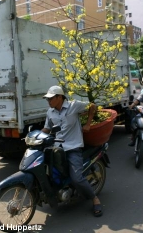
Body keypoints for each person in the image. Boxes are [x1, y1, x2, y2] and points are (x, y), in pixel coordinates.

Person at [42, 85, 103, 217]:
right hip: (57, 148)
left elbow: (93, 106)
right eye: (47, 99)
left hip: (73, 148)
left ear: (59, 97)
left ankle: (94, 198)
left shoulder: (73, 106)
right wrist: (35, 137)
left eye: (50, 99)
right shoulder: (50, 112)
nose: (48, 101)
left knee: (77, 178)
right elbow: (47, 129)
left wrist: (88, 123)